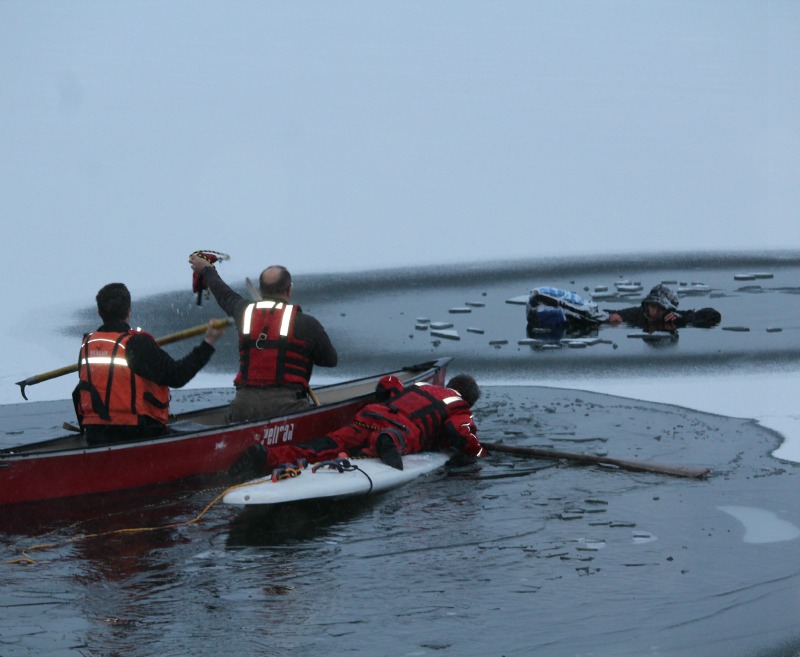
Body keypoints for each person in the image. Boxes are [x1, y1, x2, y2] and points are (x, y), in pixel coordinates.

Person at [237, 374, 484, 476]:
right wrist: (480, 453)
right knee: (399, 438)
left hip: (369, 416)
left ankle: (266, 455)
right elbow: (459, 431)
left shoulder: (422, 385)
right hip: (400, 429)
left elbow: (388, 384)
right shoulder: (459, 406)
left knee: (323, 446)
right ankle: (387, 443)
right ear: (468, 398)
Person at [189, 254, 338, 421]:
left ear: (261, 291)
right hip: (288, 409)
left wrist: (207, 270)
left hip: (244, 408)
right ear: (289, 290)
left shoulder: (244, 312)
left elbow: (223, 293)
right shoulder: (307, 324)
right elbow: (330, 360)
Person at [74, 282, 226, 445]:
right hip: (135, 432)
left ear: (99, 312)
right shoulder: (137, 344)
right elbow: (178, 376)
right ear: (128, 311)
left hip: (95, 432)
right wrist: (208, 343)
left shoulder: (87, 345)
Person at [604, 284, 721, 330]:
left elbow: (714, 315)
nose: (654, 312)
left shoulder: (678, 318)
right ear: (647, 305)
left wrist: (680, 318)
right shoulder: (637, 313)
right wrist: (611, 317)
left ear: (668, 309)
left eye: (659, 308)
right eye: (652, 306)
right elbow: (603, 312)